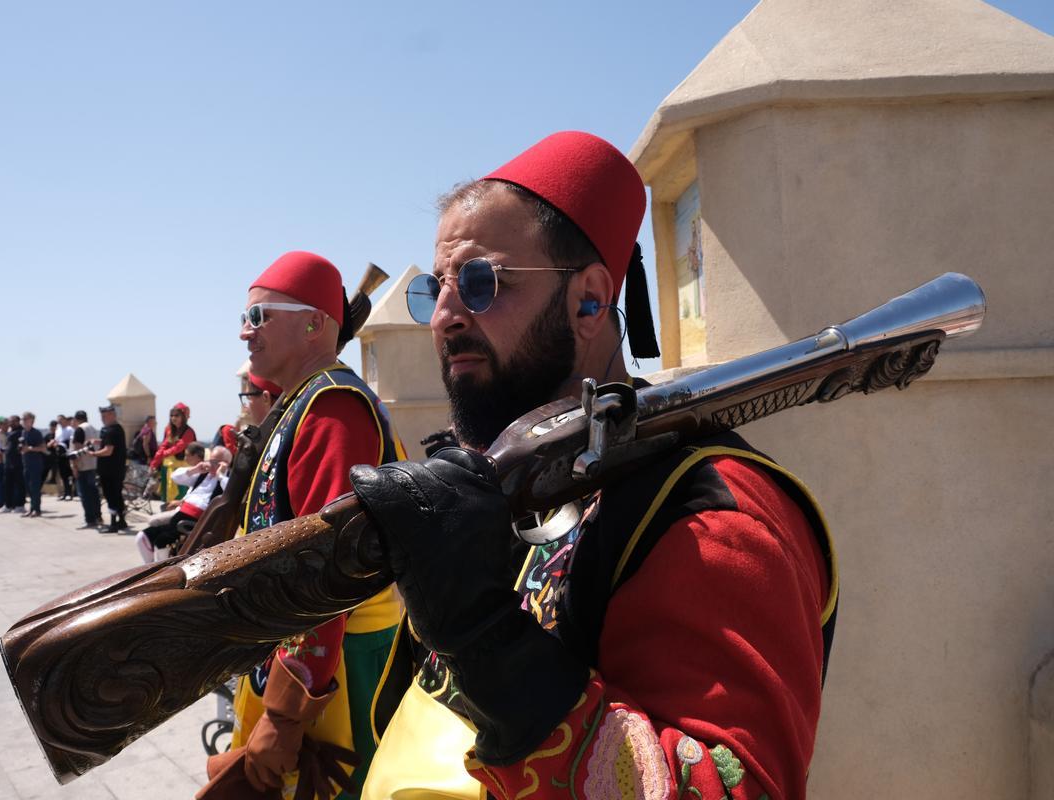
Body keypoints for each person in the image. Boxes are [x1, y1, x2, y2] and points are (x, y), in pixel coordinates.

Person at [340, 132, 839, 800]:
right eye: (437, 290)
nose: (447, 317)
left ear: (589, 300)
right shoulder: (516, 478)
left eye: (484, 283)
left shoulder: (709, 514)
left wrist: (486, 638)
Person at [196, 251, 405, 800]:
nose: (245, 334)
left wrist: (287, 717)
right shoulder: (302, 403)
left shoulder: (333, 409)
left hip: (335, 675)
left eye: (259, 318)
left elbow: (324, 574)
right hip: (298, 661)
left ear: (315, 323)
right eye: (244, 319)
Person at [136, 443, 230, 562]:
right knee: (142, 537)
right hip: (180, 513)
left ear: (225, 463)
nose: (211, 465)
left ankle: (160, 571)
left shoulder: (227, 480)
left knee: (161, 542)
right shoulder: (202, 475)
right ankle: (149, 568)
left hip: (196, 520)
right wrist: (194, 470)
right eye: (210, 461)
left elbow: (231, 491)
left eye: (215, 462)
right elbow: (176, 477)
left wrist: (220, 475)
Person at [92, 404, 128, 532]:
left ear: (112, 415)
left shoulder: (111, 431)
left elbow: (108, 450)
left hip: (109, 471)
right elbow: (109, 444)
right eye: (102, 416)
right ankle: (122, 521)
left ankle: (113, 524)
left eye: (105, 416)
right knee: (117, 495)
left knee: (111, 496)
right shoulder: (117, 429)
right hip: (117, 470)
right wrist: (97, 442)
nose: (102, 418)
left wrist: (93, 454)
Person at [150, 403, 196, 503]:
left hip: (182, 470)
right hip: (167, 468)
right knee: (166, 495)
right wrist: (154, 463)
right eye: (171, 415)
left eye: (176, 415)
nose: (173, 418)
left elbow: (178, 447)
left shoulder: (189, 432)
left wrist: (163, 454)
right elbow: (163, 446)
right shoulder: (169, 429)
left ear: (183, 416)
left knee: (180, 496)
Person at [69, 410, 102, 529]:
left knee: (84, 494)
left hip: (83, 466)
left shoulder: (79, 430)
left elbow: (77, 450)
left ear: (76, 419)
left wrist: (75, 467)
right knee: (94, 493)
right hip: (93, 464)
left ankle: (90, 519)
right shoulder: (93, 429)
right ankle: (98, 516)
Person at [19, 412, 46, 517]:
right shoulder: (23, 433)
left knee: (35, 487)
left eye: (26, 419)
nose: (24, 421)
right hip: (26, 463)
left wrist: (30, 448)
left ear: (32, 420)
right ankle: (31, 508)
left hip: (35, 464)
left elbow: (43, 448)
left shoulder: (36, 433)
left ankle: (37, 509)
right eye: (23, 419)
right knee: (29, 488)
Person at [55, 414, 76, 500]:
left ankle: (70, 493)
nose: (59, 422)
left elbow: (71, 441)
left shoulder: (70, 429)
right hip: (60, 454)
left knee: (69, 474)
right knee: (63, 475)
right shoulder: (58, 430)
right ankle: (65, 493)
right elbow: (57, 440)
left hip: (67, 454)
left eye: (61, 420)